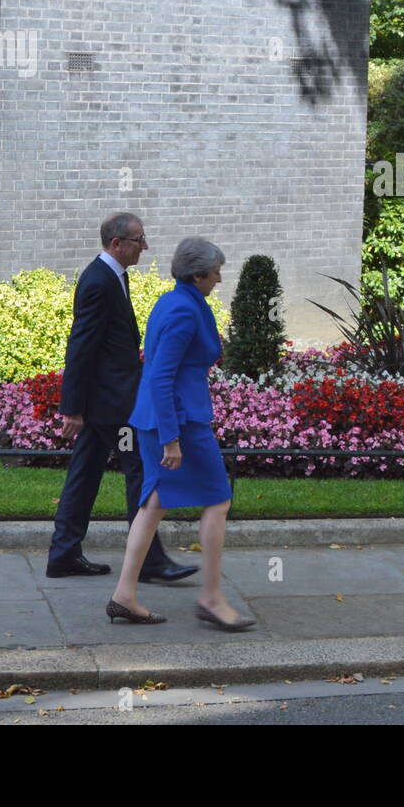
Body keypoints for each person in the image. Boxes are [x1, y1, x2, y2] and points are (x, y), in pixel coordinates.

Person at [105, 237, 256, 630]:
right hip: (180, 422)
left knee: (154, 503)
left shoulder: (173, 301)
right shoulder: (185, 311)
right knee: (218, 500)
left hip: (164, 418)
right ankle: (210, 598)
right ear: (197, 274)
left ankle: (124, 595)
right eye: (216, 273)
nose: (219, 279)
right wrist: (172, 438)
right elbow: (161, 375)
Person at [46, 212, 195, 585]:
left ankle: (64, 554)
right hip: (112, 405)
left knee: (84, 475)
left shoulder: (113, 277)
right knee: (142, 472)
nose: (144, 247)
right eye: (138, 240)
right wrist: (72, 408)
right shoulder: (99, 281)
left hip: (105, 403)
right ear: (117, 244)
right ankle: (148, 562)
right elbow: (80, 346)